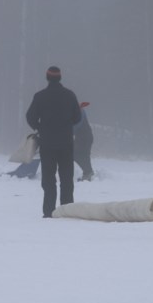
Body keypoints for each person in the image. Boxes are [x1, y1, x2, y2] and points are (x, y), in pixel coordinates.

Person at [25, 66, 81, 217]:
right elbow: (77, 118)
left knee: (49, 179)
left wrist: (40, 127)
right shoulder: (69, 95)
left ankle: (49, 211)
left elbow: (30, 117)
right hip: (66, 143)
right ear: (60, 78)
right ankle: (67, 210)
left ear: (47, 78)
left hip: (47, 143)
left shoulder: (40, 96)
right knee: (66, 178)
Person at [74, 101, 95, 182]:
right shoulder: (77, 110)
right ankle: (88, 174)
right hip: (82, 138)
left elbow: (77, 124)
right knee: (83, 156)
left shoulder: (80, 111)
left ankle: (88, 173)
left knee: (78, 155)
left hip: (85, 138)